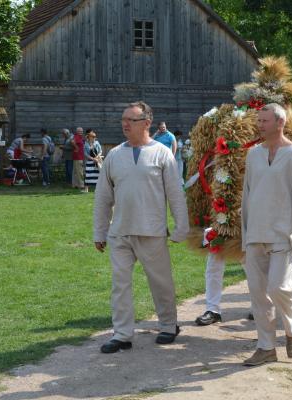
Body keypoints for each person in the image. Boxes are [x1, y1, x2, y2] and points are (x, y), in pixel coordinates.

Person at [93, 101, 189, 354]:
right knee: (120, 284)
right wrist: (99, 232)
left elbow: (175, 195)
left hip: (152, 231)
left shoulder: (162, 153)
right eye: (123, 119)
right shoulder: (114, 155)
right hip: (120, 232)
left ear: (146, 123)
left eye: (131, 120)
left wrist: (181, 228)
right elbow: (103, 197)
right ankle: (122, 334)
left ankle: (168, 325)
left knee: (161, 283)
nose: (125, 124)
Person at [241, 103, 292, 366]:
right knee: (258, 294)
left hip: (284, 234)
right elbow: (247, 195)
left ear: (280, 122)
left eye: (264, 121)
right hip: (255, 235)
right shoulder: (253, 154)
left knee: (278, 287)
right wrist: (245, 235)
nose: (259, 125)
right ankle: (266, 347)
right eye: (258, 121)